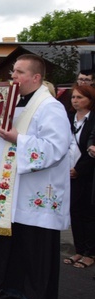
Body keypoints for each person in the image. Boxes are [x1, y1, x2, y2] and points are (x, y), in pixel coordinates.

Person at [0, 54, 71, 299]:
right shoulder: (17, 103)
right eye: (13, 71)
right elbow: (8, 139)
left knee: (34, 246)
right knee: (15, 243)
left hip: (35, 190)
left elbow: (55, 148)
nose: (13, 76)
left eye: (19, 72)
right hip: (12, 189)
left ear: (36, 78)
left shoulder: (49, 107)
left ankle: (33, 298)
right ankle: (11, 288)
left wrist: (17, 139)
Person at [63, 85, 95, 268]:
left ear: (90, 99)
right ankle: (79, 250)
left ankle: (90, 253)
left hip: (86, 173)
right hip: (68, 171)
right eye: (73, 97)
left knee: (88, 214)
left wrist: (79, 169)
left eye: (80, 97)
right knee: (74, 212)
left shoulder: (93, 120)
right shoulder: (69, 118)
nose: (75, 100)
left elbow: (90, 149)